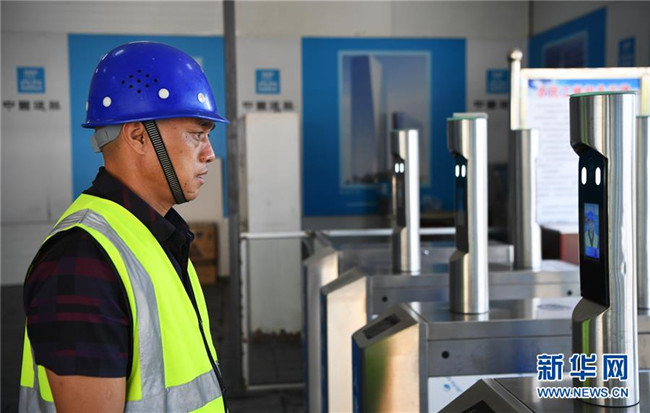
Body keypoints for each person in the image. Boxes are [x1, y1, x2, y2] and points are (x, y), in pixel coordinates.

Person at [19, 41, 229, 412]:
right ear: (138, 136)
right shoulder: (81, 262)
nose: (210, 153)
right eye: (197, 134)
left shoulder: (157, 235)